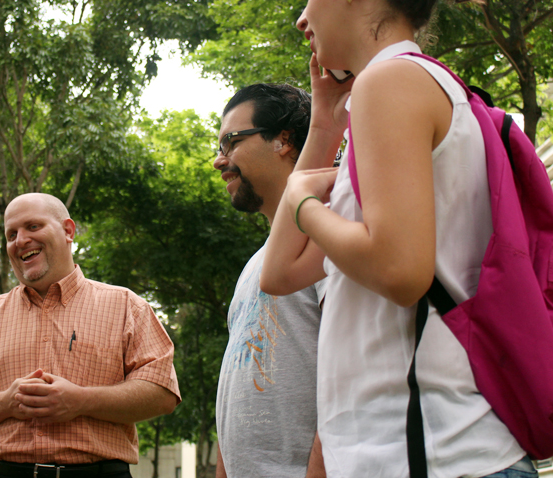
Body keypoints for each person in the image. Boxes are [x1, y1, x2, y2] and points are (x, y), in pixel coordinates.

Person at [260, 0, 537, 477]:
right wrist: (326, 119)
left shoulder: (391, 82)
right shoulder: (408, 88)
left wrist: (303, 204)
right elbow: (279, 272)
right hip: (423, 451)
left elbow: (398, 270)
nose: (301, 18)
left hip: (434, 452)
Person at [0, 193, 180, 478]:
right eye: (11, 234)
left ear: (68, 230)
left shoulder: (127, 307)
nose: (21, 240)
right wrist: (7, 402)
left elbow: (162, 393)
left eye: (33, 226)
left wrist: (81, 401)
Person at [213, 83, 326, 478]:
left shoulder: (328, 237)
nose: (218, 160)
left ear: (283, 140)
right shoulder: (254, 266)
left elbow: (348, 375)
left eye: (231, 142)